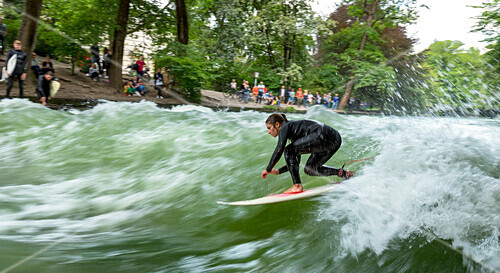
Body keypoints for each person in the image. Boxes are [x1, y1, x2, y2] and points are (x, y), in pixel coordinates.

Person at [261, 113, 354, 193]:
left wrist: (268, 169)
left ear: (277, 125)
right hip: (334, 140)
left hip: (324, 135)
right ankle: (343, 173)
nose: (269, 132)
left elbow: (279, 149)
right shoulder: (295, 132)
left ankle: (297, 186)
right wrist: (278, 171)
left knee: (288, 150)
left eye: (269, 128)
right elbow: (295, 161)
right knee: (310, 169)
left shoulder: (285, 126)